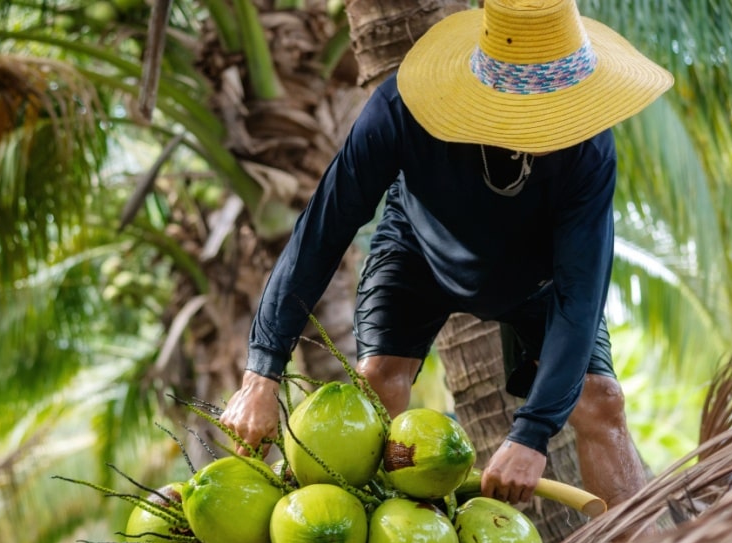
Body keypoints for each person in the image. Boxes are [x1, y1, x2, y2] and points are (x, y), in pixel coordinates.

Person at [219, 0, 674, 511]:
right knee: (377, 386)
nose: (559, 123)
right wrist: (261, 374)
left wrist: (532, 433)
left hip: (541, 279)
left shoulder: (588, 149)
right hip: (418, 253)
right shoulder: (401, 109)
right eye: (542, 110)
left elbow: (580, 294)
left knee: (601, 402)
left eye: (564, 105)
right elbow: (322, 232)